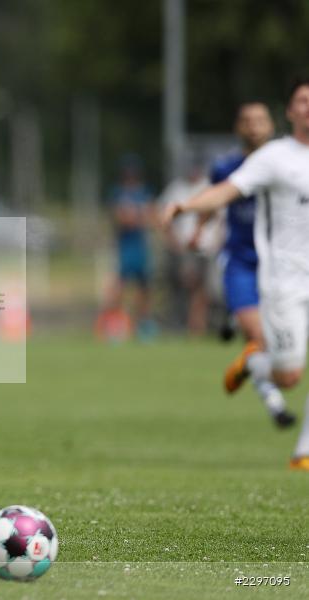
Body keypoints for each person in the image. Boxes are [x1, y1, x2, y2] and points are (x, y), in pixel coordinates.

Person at [162, 76, 309, 468]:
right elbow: (224, 192)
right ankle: (254, 366)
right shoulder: (273, 158)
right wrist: (188, 210)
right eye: (303, 100)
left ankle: (303, 451)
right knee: (288, 372)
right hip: (277, 275)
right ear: (291, 111)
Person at [192, 102, 294, 428]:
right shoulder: (226, 167)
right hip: (242, 264)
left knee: (281, 351)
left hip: (282, 265)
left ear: (272, 125)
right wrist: (198, 227)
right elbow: (216, 196)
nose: (254, 127)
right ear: (238, 128)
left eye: (260, 121)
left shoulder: (287, 165)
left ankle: (248, 363)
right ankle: (276, 405)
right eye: (247, 121)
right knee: (259, 337)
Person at [98, 154, 157, 341]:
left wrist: (137, 217)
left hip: (141, 246)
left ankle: (143, 327)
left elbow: (151, 216)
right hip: (124, 247)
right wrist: (137, 217)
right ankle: (114, 325)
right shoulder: (118, 193)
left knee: (144, 288)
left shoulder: (144, 192)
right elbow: (121, 219)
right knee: (119, 288)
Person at [158, 154, 214, 335]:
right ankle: (183, 326)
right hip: (181, 250)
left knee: (201, 290)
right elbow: (162, 217)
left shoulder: (208, 187)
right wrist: (173, 242)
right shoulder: (176, 188)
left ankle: (197, 328)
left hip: (204, 249)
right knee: (182, 289)